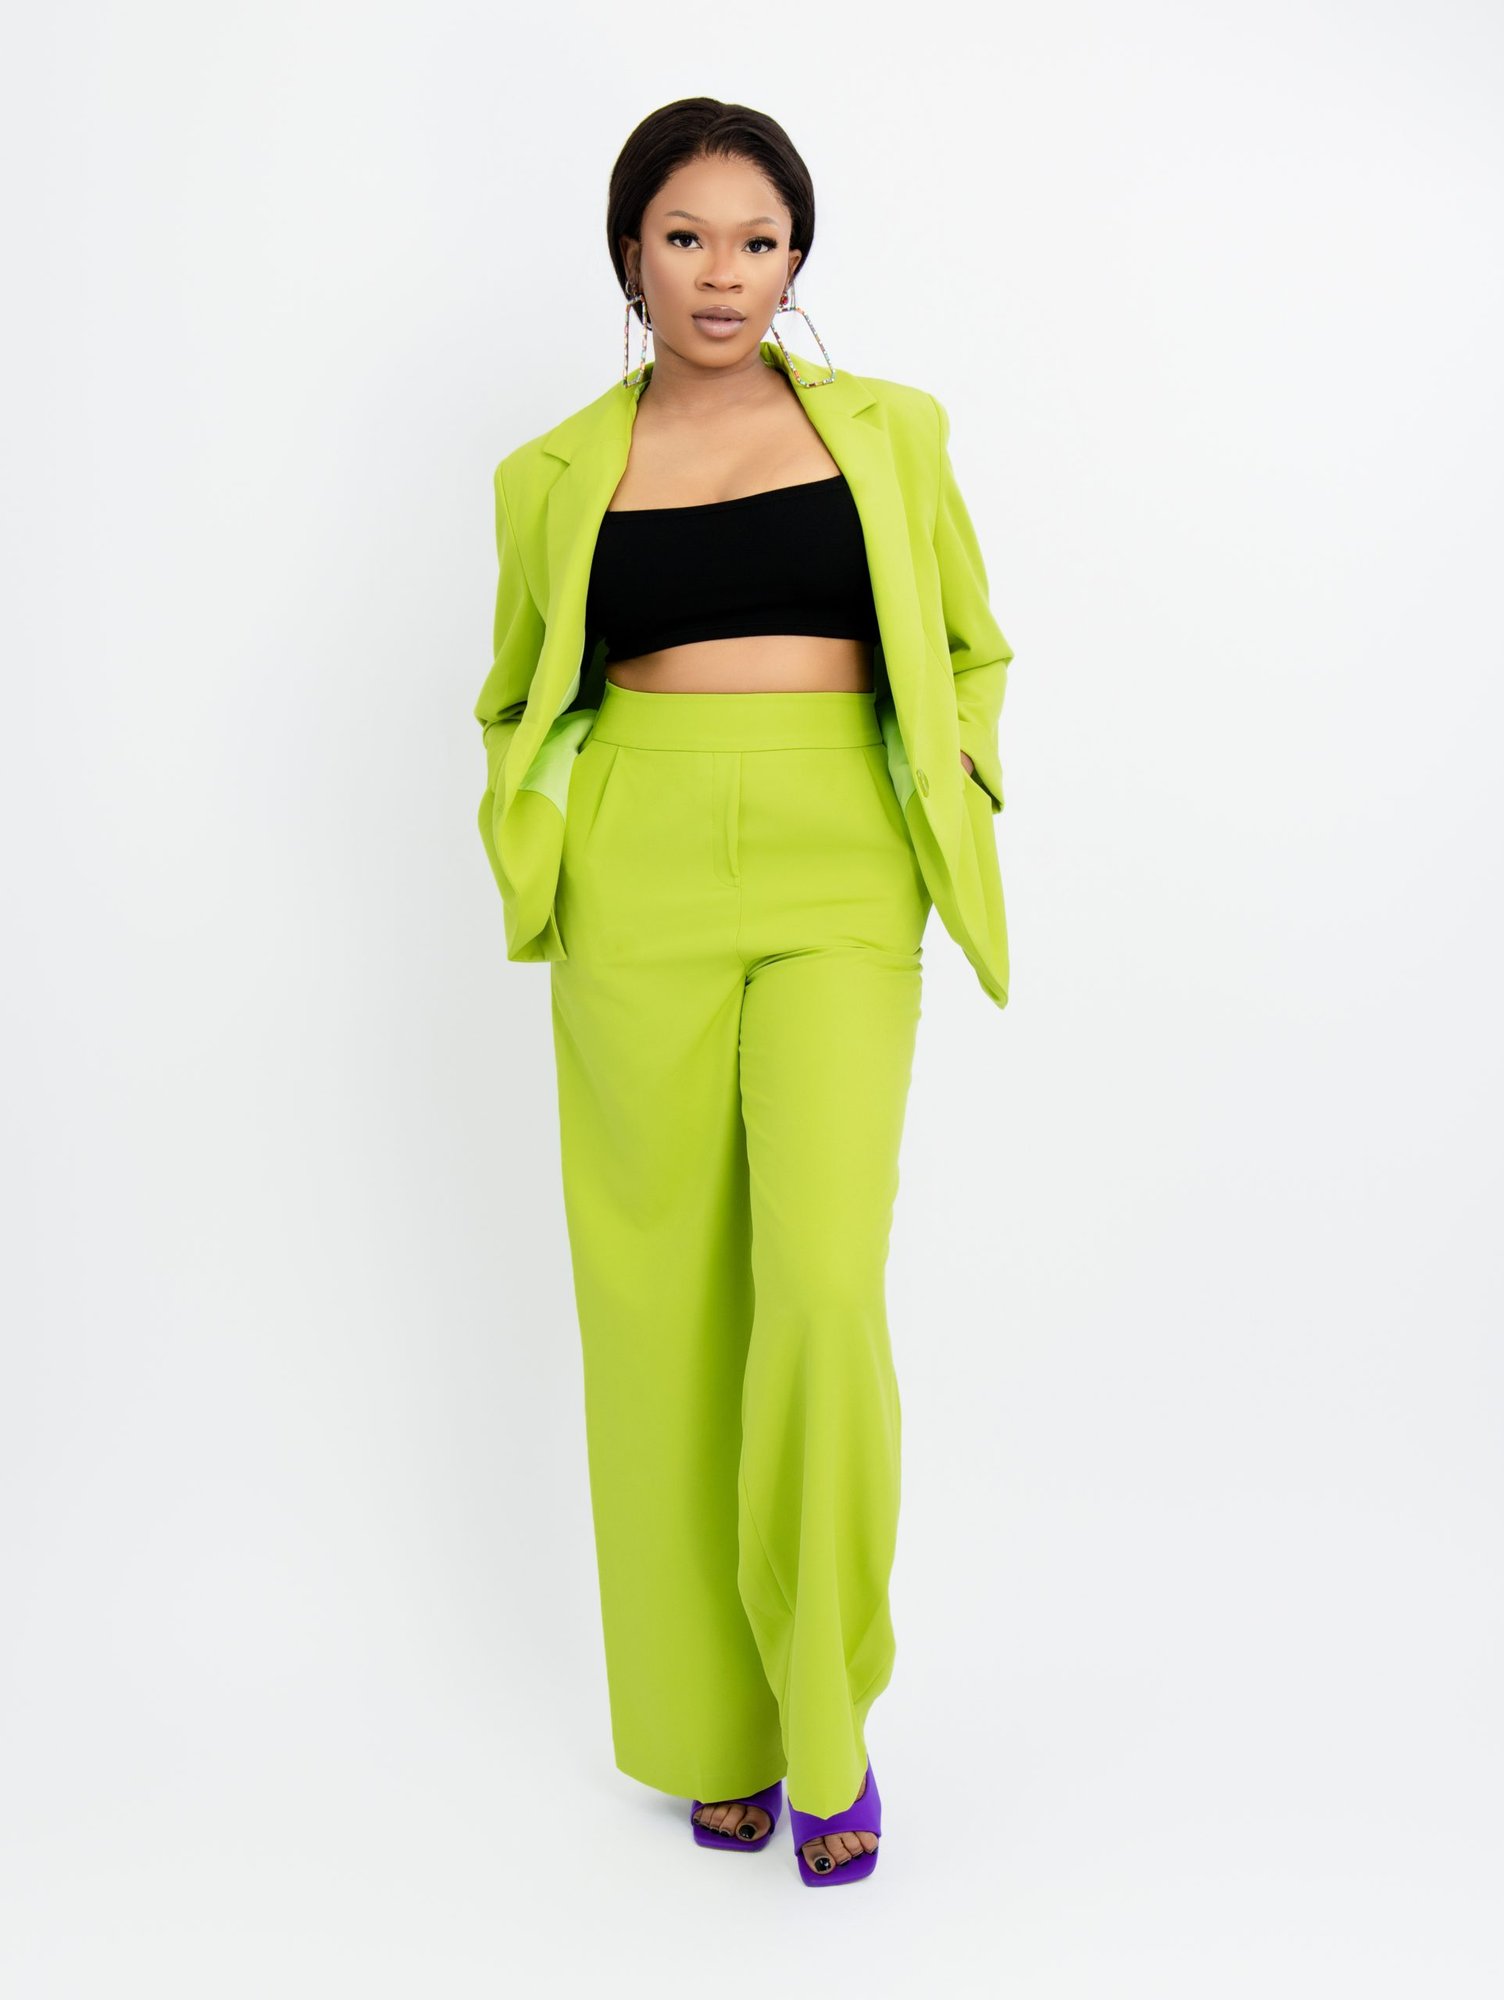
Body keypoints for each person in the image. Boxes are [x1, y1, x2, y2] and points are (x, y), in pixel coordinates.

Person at [472, 95, 1012, 1887]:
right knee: (660, 1308)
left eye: (759, 240)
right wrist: (542, 840)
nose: (724, 273)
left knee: (821, 1291)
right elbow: (517, 694)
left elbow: (972, 646)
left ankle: (823, 1718)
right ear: (631, 252)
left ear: (798, 259)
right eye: (687, 237)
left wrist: (960, 777)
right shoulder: (550, 474)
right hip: (638, 868)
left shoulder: (892, 432)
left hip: (840, 862)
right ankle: (714, 1728)